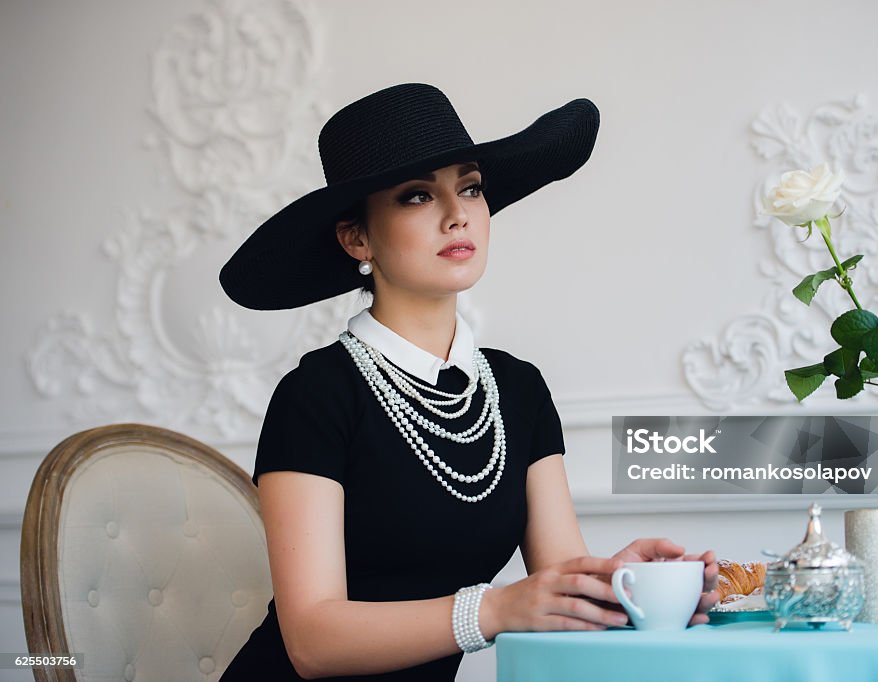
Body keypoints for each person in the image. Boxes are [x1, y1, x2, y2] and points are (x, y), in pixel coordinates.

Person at [217, 83, 719, 681]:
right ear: (357, 239)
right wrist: (495, 607)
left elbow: (561, 579)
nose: (457, 214)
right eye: (416, 197)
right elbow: (312, 641)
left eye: (470, 187)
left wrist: (622, 584)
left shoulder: (520, 390)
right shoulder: (316, 394)